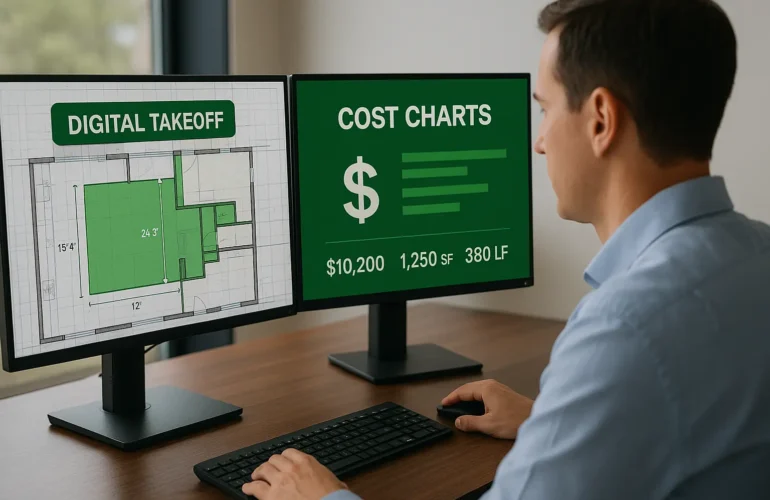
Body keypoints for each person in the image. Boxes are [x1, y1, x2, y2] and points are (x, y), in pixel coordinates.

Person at [242, 0, 770, 498]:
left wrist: (323, 495)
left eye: (544, 109)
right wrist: (558, 423)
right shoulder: (757, 254)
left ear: (601, 120)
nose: (538, 142)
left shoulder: (625, 328)